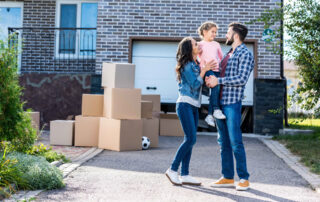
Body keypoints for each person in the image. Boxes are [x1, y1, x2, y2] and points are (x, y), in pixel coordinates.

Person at [206, 22, 254, 191]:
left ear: (235, 35)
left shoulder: (245, 54)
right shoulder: (228, 54)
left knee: (235, 142)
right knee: (223, 142)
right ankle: (227, 177)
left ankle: (243, 178)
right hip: (219, 103)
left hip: (232, 103)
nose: (225, 35)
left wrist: (219, 80)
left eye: (227, 33)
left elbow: (241, 79)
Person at [165, 37, 216, 186]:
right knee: (190, 139)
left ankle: (185, 174)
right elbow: (194, 85)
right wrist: (204, 71)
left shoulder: (196, 64)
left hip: (194, 106)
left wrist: (208, 76)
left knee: (191, 140)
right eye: (195, 44)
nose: (198, 45)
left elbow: (201, 87)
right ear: (189, 49)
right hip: (185, 104)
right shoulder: (187, 65)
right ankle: (173, 169)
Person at [197, 21, 226, 127]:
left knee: (215, 91)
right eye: (212, 32)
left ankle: (209, 115)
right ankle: (216, 109)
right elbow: (195, 57)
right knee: (214, 89)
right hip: (207, 70)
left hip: (216, 70)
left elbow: (221, 58)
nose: (214, 34)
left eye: (215, 32)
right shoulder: (200, 44)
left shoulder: (216, 44)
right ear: (204, 32)